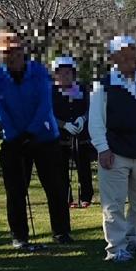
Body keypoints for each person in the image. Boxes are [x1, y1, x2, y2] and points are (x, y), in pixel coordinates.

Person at [0, 31, 72, 250]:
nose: (12, 56)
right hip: (14, 139)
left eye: (16, 51)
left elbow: (45, 105)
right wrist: (16, 136)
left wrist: (32, 132)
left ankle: (61, 232)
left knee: (55, 186)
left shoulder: (39, 71)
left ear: (23, 50)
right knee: (15, 190)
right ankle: (19, 236)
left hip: (44, 136)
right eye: (7, 52)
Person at [89, 36, 136, 262]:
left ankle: (134, 238)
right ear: (113, 57)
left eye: (132, 52)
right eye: (123, 53)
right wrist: (102, 148)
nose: (129, 57)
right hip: (115, 150)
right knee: (114, 203)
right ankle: (116, 248)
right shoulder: (103, 85)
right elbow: (96, 120)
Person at [51, 55, 96, 207]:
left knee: (84, 167)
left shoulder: (82, 89)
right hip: (60, 136)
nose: (65, 76)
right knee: (61, 169)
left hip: (80, 134)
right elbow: (48, 113)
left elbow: (90, 108)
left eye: (68, 72)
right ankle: (67, 197)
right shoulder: (51, 92)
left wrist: (83, 119)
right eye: (61, 73)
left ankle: (86, 197)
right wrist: (63, 125)